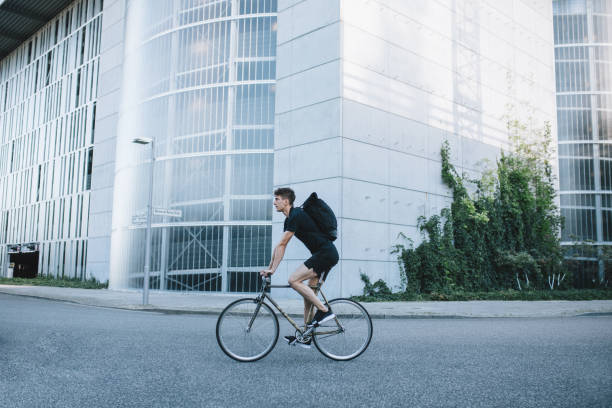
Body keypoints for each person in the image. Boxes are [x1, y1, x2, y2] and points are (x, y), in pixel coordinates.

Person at [260, 187, 339, 348]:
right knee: (309, 297)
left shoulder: (295, 214)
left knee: (293, 280)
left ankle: (324, 311)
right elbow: (278, 247)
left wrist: (273, 270)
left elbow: (283, 244)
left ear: (286, 201)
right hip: (323, 254)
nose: (274, 202)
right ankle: (306, 335)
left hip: (326, 254)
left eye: (277, 199)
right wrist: (269, 268)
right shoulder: (290, 218)